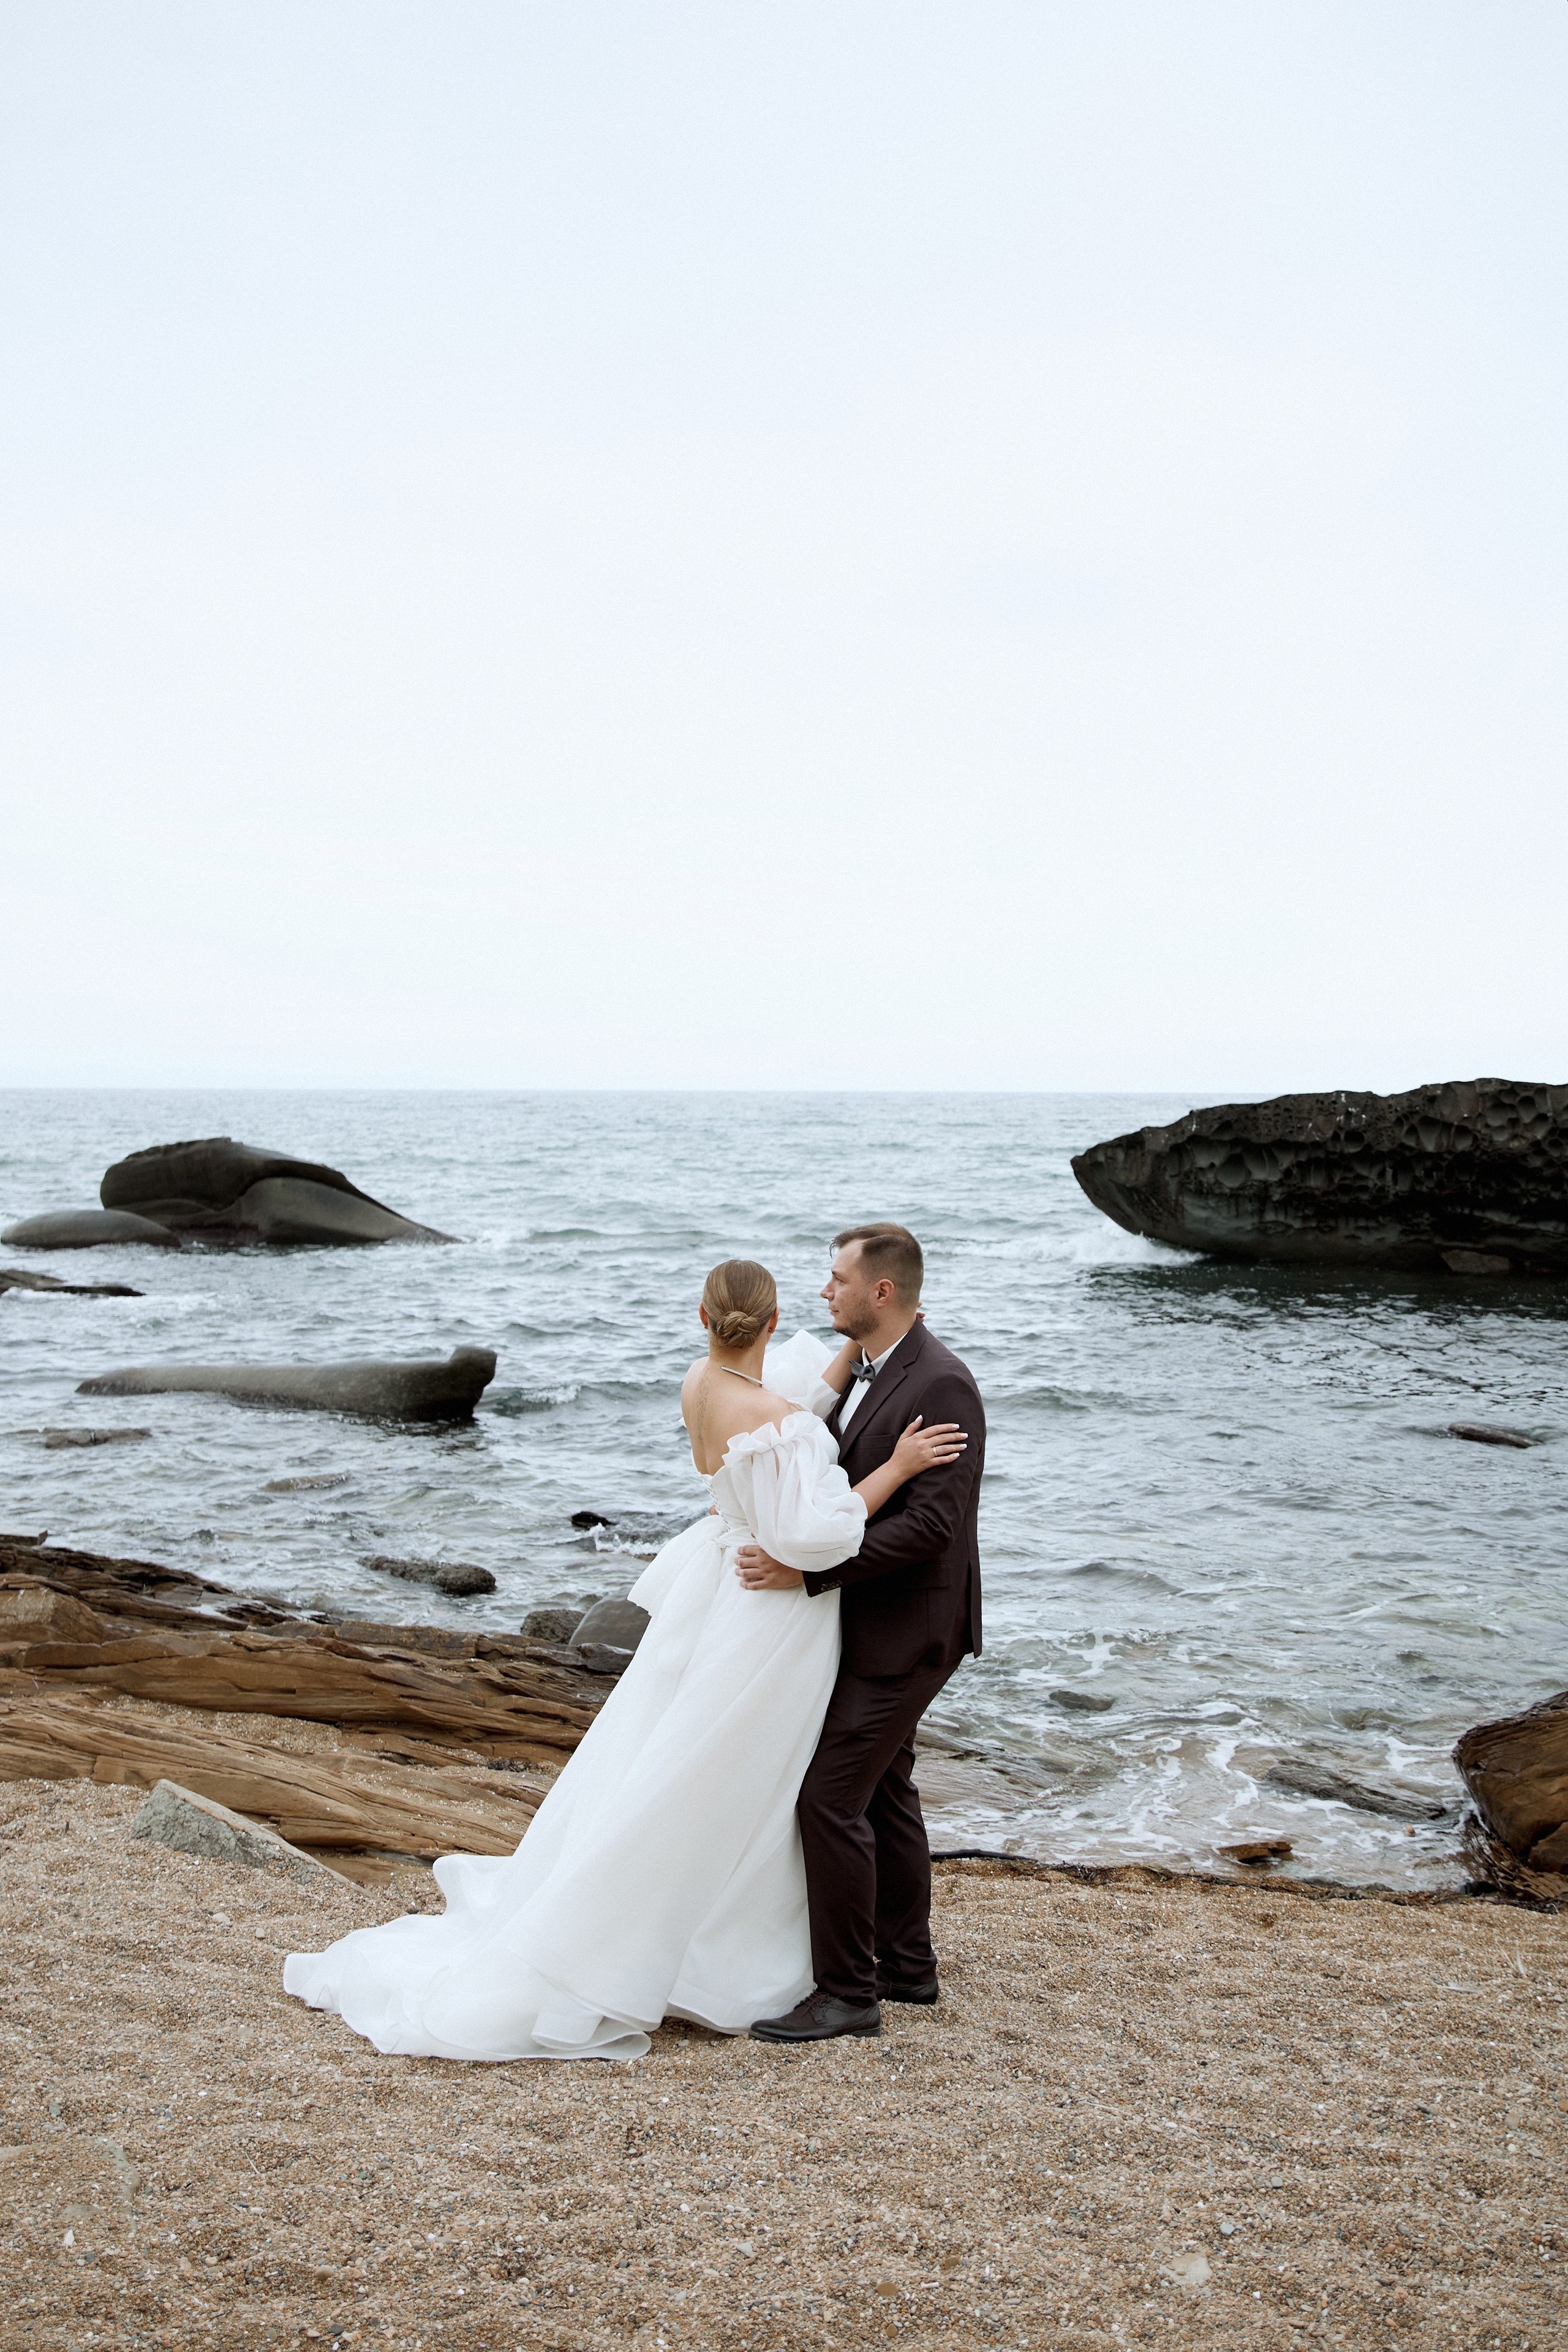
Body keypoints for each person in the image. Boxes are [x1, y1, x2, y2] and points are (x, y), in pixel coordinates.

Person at [281, 1256, 965, 2062]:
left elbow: (778, 1427)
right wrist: (897, 1468)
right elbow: (811, 1535)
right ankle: (729, 1947)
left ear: (703, 1319)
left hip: (720, 1591)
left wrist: (847, 1357)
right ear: (773, 1322)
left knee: (691, 1761)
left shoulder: (701, 1384)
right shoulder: (775, 1417)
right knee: (743, 1775)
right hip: (771, 1612)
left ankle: (749, 1935)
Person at [739, 1223, 986, 2045]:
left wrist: (806, 1574)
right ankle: (907, 1966)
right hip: (878, 1621)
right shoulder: (875, 1366)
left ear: (882, 1291)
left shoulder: (942, 1385)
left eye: (838, 1279)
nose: (825, 1290)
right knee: (884, 1788)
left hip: (912, 1628)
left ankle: (848, 1993)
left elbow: (932, 1529)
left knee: (829, 1798)